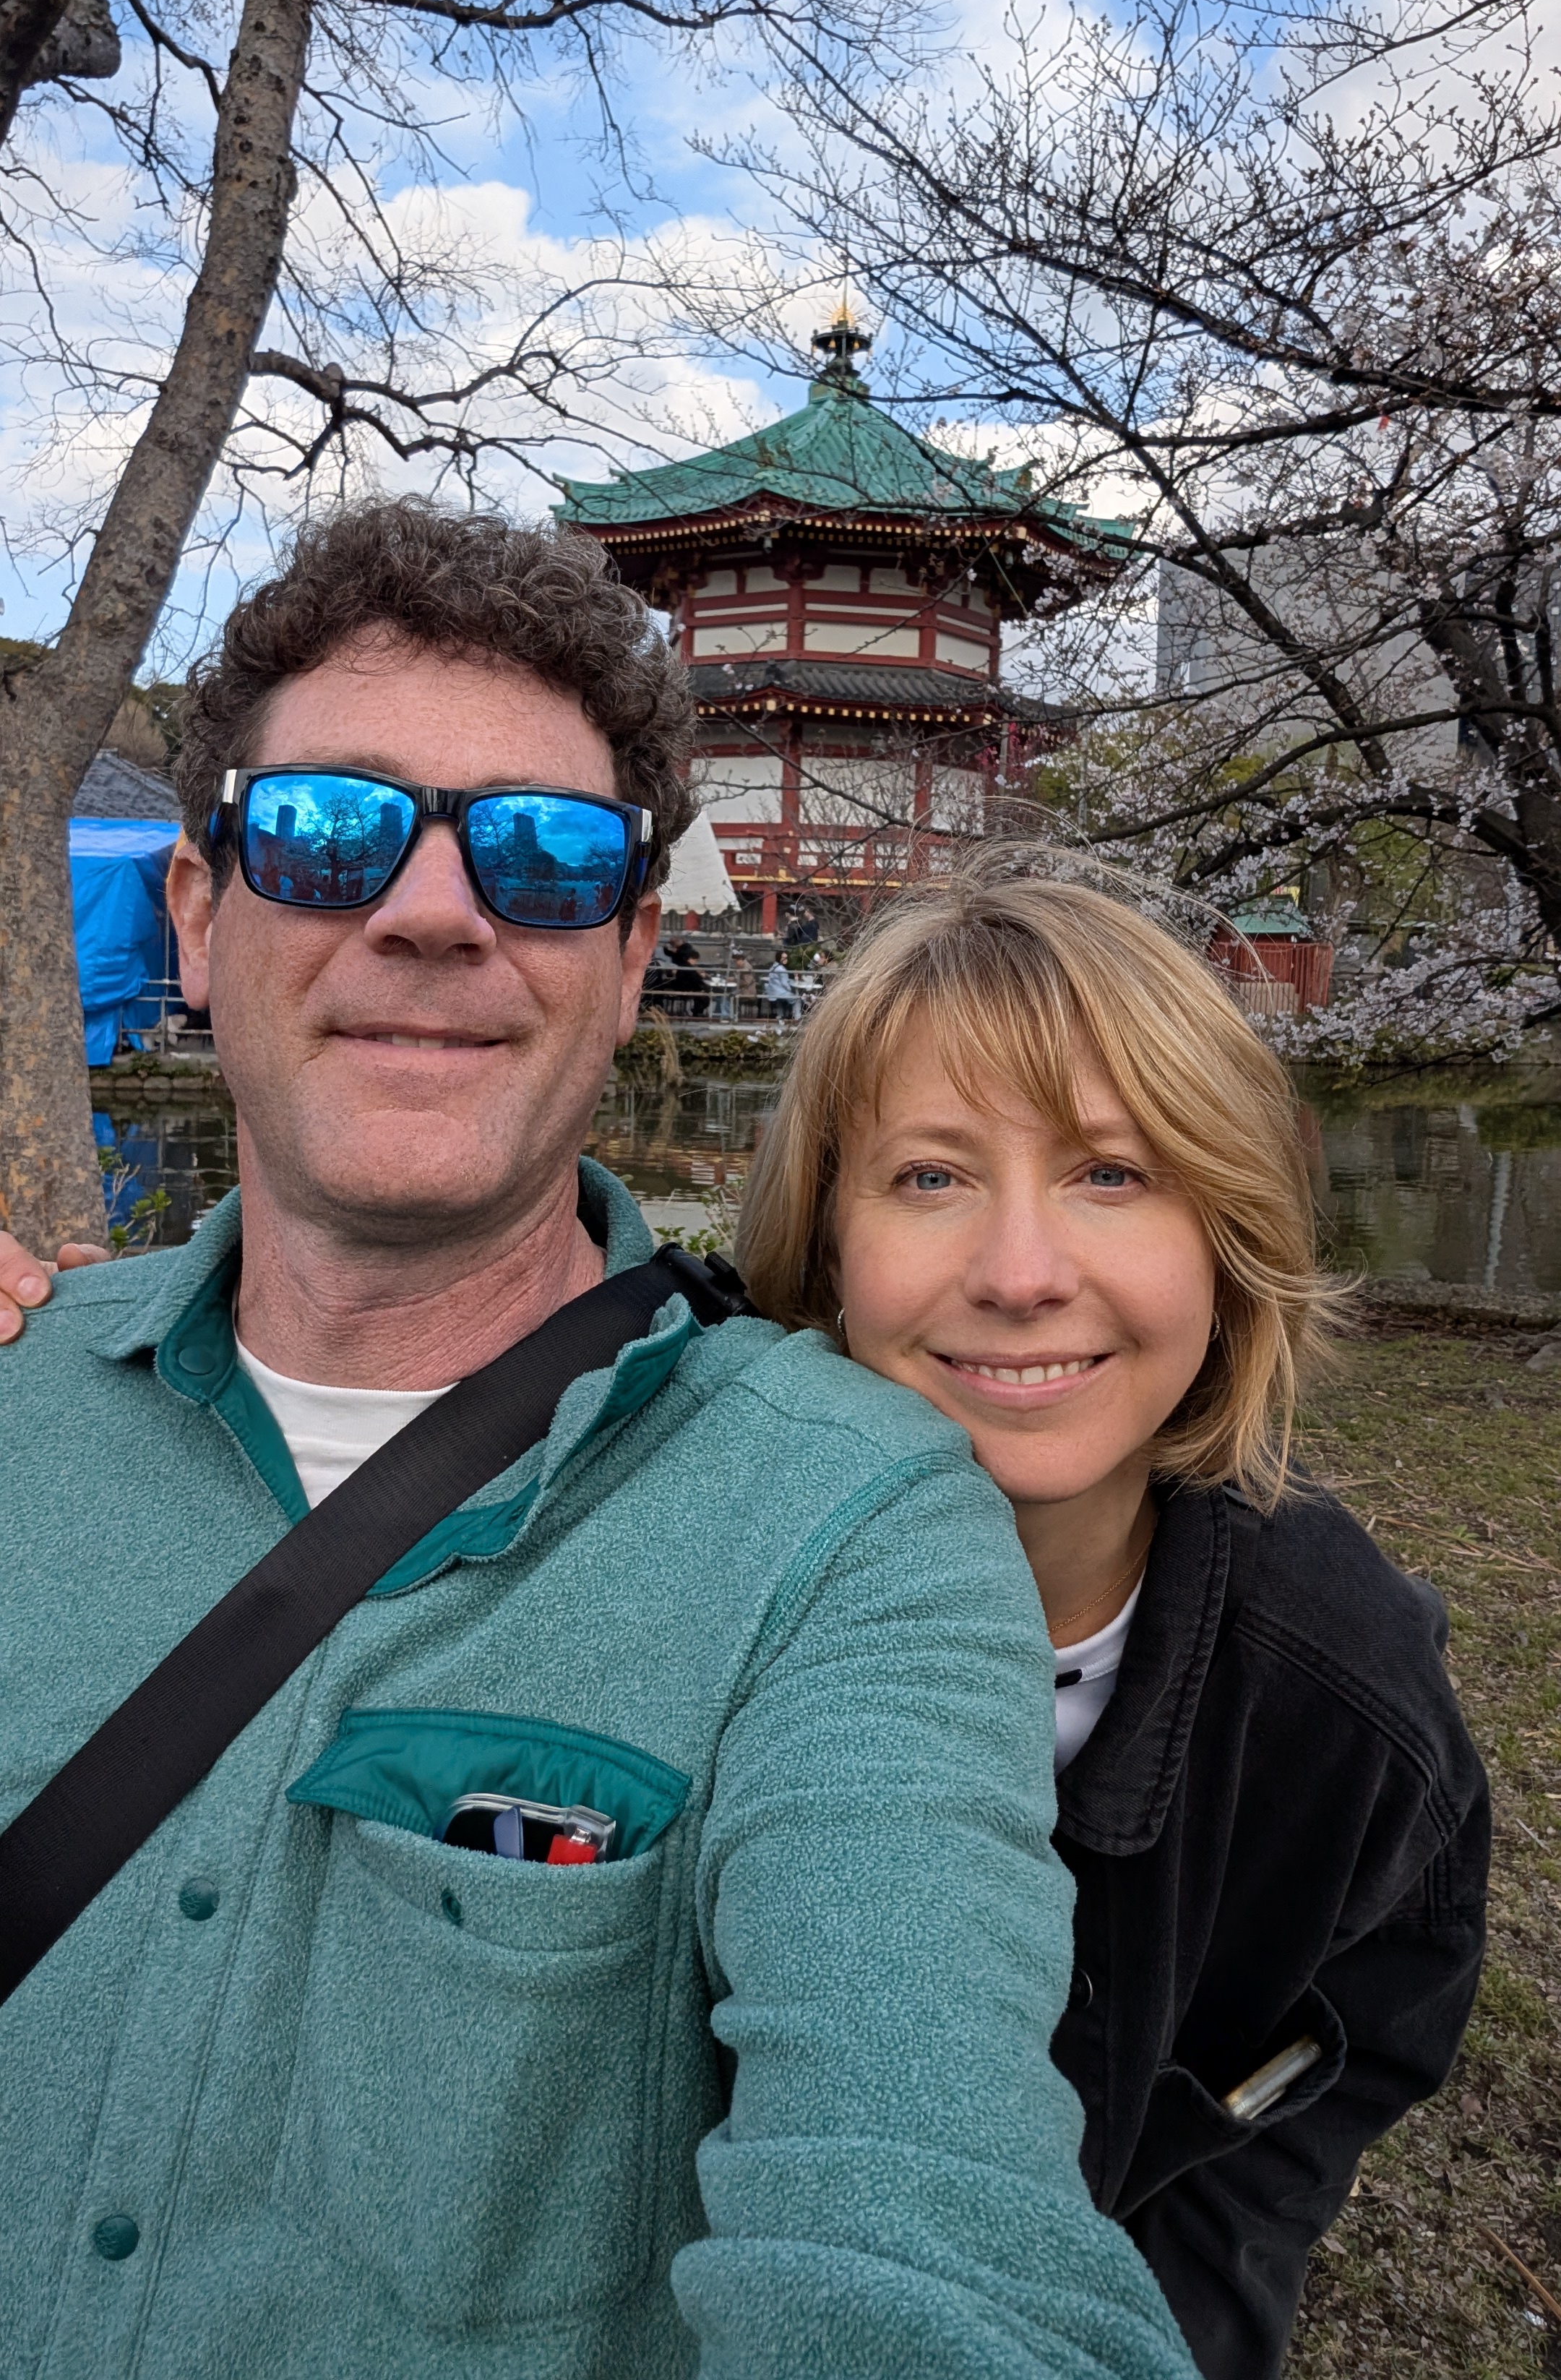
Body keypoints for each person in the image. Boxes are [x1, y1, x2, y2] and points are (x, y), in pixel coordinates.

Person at [0, 509, 1196, 2380]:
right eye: (327, 828)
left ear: (635, 951)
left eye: (547, 857)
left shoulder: (845, 1542)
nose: (431, 907)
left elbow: (929, 2234)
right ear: (200, 907)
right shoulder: (12, 1401)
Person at [735, 864, 1489, 2380]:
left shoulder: (1344, 1696)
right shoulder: (672, 1591)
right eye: (931, 1177)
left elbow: (1367, 2025)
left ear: (1229, 1233)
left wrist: (1196, 2308)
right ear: (826, 1244)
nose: (1023, 1276)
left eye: (1116, 1173)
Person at [762, 951, 799, 1021]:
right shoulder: (781, 969)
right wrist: (791, 990)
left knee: (783, 1000)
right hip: (781, 993)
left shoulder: (773, 967)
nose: (785, 959)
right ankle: (797, 1017)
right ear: (779, 958)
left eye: (786, 958)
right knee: (797, 999)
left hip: (773, 992)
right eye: (783, 958)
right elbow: (785, 983)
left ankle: (781, 1015)